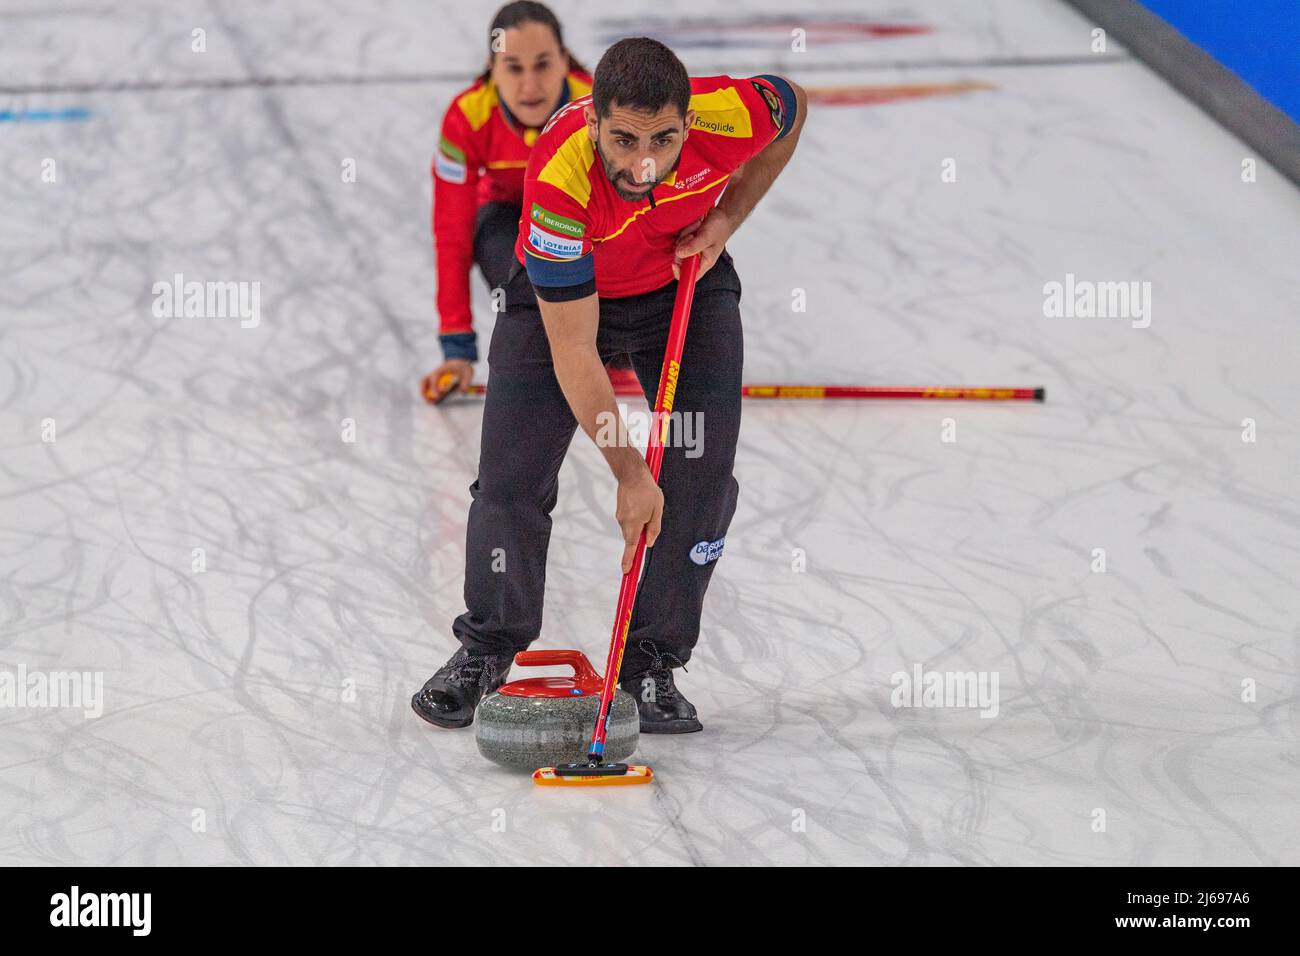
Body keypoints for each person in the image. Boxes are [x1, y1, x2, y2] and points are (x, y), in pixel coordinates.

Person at [413, 37, 806, 734]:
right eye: (623, 139)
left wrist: (727, 217)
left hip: (683, 286)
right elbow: (574, 353)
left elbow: (793, 107)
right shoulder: (560, 180)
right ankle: (485, 649)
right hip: (561, 309)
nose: (643, 163)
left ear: (692, 122)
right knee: (511, 477)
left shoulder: (731, 115)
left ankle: (650, 662)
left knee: (699, 476)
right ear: (593, 120)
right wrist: (628, 470)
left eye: (663, 139)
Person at [424, 1, 619, 400]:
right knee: (508, 255)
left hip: (585, 221)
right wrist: (457, 347)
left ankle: (615, 348)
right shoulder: (466, 117)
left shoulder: (601, 108)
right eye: (513, 67)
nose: (530, 86)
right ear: (491, 69)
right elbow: (452, 235)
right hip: (510, 221)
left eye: (543, 64)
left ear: (565, 62)